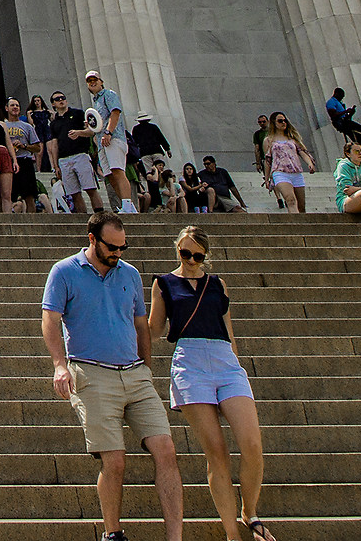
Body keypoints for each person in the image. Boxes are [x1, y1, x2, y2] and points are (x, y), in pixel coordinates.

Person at [44, 214, 183, 541]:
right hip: (91, 373)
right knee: (115, 460)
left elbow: (140, 325)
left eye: (123, 247)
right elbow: (50, 319)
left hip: (135, 375)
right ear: (92, 238)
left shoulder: (130, 274)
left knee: (166, 449)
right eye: (112, 247)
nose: (118, 253)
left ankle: (175, 537)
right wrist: (59, 365)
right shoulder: (64, 271)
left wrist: (146, 367)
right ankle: (113, 533)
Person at [149, 227, 276, 541]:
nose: (191, 261)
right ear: (177, 249)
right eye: (185, 253)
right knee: (216, 453)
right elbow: (153, 330)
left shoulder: (217, 284)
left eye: (198, 256)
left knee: (252, 446)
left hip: (223, 360)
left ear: (205, 255)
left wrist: (236, 362)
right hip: (189, 362)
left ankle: (250, 512)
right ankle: (232, 533)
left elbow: (229, 330)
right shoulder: (163, 283)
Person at [83, 74, 133, 215]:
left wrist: (109, 132)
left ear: (101, 82)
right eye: (89, 81)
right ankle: (126, 204)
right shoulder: (96, 102)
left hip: (113, 138)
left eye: (95, 80)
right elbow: (97, 126)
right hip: (102, 143)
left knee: (117, 171)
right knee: (110, 175)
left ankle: (128, 205)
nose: (92, 83)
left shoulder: (109, 94)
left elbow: (115, 112)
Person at [48, 91, 100, 215]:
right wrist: (55, 166)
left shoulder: (78, 114)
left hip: (80, 154)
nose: (61, 100)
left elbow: (91, 131)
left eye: (63, 97)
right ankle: (83, 218)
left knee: (90, 188)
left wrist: (79, 133)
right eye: (57, 99)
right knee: (74, 193)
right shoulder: (54, 123)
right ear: (53, 104)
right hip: (64, 159)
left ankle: (99, 214)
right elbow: (54, 145)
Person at [259, 113, 313, 213]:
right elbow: (267, 160)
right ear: (274, 123)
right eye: (280, 121)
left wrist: (309, 163)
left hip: (296, 172)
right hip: (280, 173)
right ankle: (296, 226)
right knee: (290, 200)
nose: (283, 123)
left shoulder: (292, 138)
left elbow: (302, 152)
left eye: (285, 121)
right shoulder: (268, 140)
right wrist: (267, 178)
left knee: (301, 207)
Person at [324, 87, 361, 152]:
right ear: (336, 93)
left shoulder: (339, 103)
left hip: (345, 122)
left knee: (360, 137)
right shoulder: (331, 102)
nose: (342, 98)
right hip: (341, 123)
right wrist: (345, 111)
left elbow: (346, 118)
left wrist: (351, 113)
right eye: (341, 96)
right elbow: (333, 115)